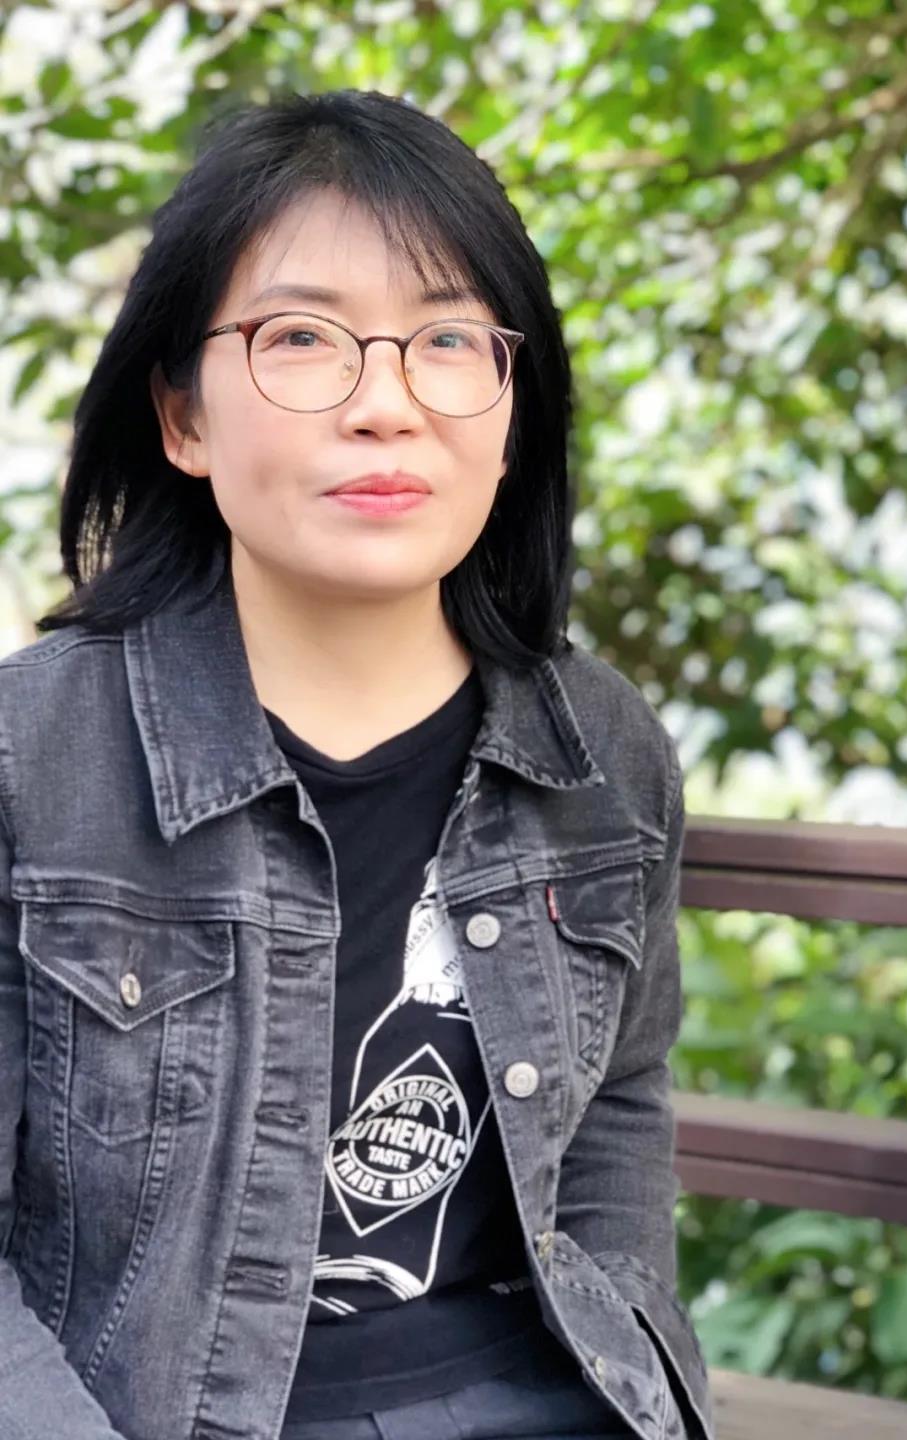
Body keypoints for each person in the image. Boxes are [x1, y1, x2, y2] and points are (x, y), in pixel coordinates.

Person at [0, 89, 715, 1440]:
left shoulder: (603, 752)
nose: (386, 405)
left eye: (447, 340)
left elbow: (618, 1117)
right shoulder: (30, 759)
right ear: (182, 416)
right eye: (303, 339)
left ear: (511, 408)